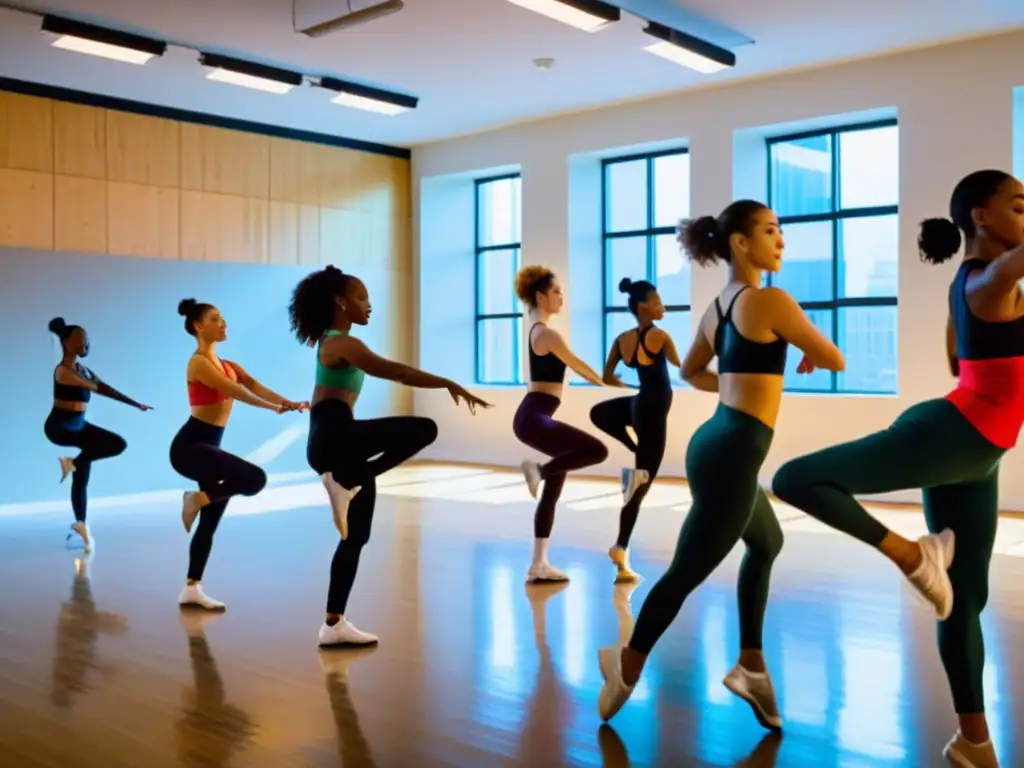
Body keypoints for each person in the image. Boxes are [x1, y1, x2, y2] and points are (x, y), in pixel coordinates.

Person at [772, 170, 1024, 768]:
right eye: (1019, 204)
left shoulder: (979, 285)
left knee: (964, 599)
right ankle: (911, 555)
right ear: (982, 217)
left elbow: (958, 356)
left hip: (976, 449)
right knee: (793, 479)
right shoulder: (988, 281)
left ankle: (975, 743)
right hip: (952, 436)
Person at [597, 200, 845, 731]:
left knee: (768, 543)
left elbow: (690, 370)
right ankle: (626, 667)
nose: (781, 240)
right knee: (686, 571)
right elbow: (836, 358)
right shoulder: (770, 299)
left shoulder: (719, 306)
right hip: (732, 452)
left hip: (718, 439)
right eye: (771, 230)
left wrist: (736, 385)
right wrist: (808, 353)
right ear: (740, 242)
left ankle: (751, 665)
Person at [288, 265, 490, 646]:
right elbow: (394, 371)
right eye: (361, 297)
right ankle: (343, 480)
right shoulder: (340, 343)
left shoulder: (336, 341)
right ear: (340, 302)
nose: (369, 305)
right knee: (424, 429)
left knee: (356, 535)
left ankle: (333, 623)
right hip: (333, 433)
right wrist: (446, 382)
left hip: (335, 437)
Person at [171, 298, 308, 611]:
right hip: (190, 447)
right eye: (216, 319)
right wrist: (274, 409)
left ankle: (192, 588)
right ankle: (195, 499)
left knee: (210, 521)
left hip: (209, 447)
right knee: (254, 478)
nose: (224, 324)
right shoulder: (198, 363)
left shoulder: (229, 365)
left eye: (223, 318)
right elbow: (237, 393)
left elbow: (254, 386)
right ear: (198, 326)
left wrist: (288, 403)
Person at [513, 265, 611, 583]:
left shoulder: (537, 330)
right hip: (534, 416)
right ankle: (537, 471)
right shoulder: (546, 332)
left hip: (536, 416)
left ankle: (538, 563)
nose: (561, 297)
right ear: (540, 296)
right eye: (556, 292)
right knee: (596, 449)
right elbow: (577, 364)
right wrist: (608, 383)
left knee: (555, 485)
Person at [590, 277, 679, 582]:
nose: (662, 306)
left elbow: (607, 376)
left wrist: (632, 387)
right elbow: (687, 365)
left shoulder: (622, 339)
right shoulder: (661, 337)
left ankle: (631, 448)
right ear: (643, 306)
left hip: (639, 405)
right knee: (640, 485)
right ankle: (620, 546)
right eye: (657, 302)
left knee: (600, 413)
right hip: (653, 413)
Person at [45, 317, 151, 551]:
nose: (85, 344)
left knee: (116, 444)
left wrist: (135, 404)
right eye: (80, 341)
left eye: (86, 340)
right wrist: (95, 384)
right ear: (66, 343)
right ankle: (74, 464)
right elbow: (96, 387)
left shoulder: (83, 370)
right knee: (86, 461)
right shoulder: (63, 371)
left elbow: (105, 387)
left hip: (80, 425)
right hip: (60, 428)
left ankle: (80, 524)